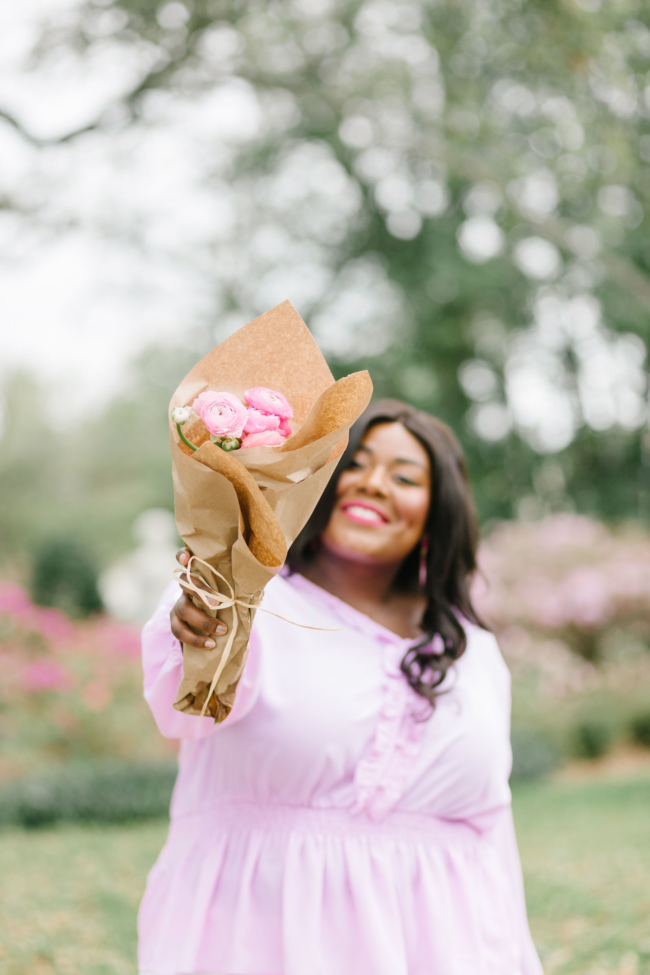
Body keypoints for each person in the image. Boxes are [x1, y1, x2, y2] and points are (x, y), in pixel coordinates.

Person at [138, 399, 542, 975]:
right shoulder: (246, 598)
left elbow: (490, 835)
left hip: (446, 949)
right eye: (358, 463)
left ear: (437, 512)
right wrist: (200, 631)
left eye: (404, 476)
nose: (374, 484)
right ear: (323, 480)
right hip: (260, 941)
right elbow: (186, 712)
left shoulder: (472, 652)